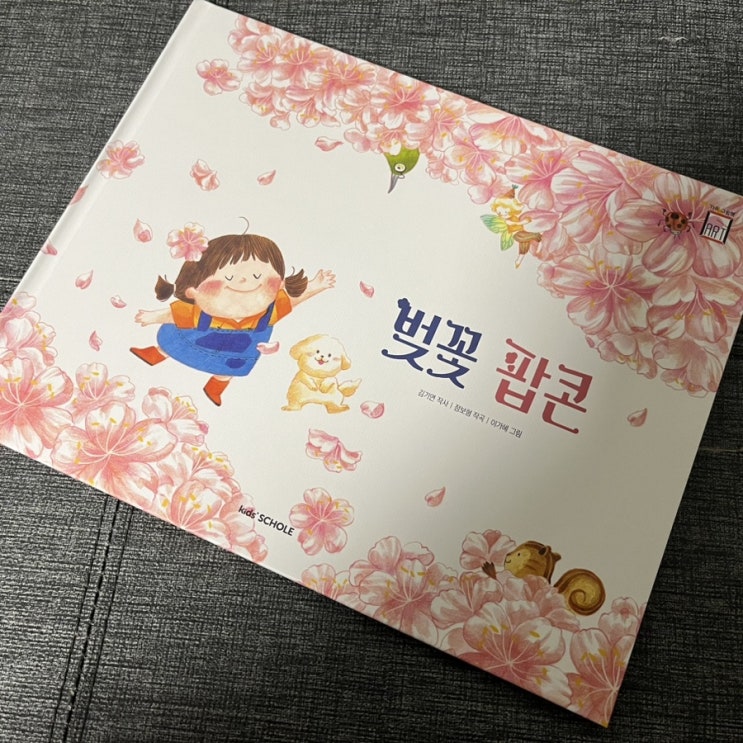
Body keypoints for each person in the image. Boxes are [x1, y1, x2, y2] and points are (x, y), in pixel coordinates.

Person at [131, 232, 335, 406]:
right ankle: (157, 354)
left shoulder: (270, 311)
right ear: (194, 290)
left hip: (235, 353)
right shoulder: (199, 310)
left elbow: (294, 299)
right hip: (195, 338)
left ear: (280, 283)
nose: (245, 281)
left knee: (227, 370)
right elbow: (173, 315)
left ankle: (216, 387)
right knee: (173, 344)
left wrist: (316, 285)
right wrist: (152, 317)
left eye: (258, 277)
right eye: (228, 278)